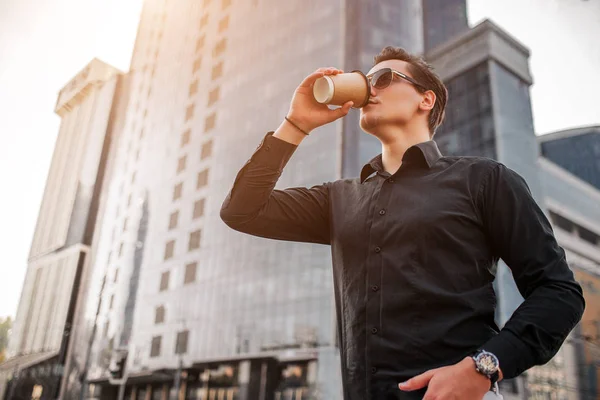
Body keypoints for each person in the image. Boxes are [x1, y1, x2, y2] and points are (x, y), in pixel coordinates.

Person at [219, 46, 585, 400]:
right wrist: (295, 124)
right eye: (367, 79)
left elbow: (558, 291)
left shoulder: (485, 180)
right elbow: (242, 210)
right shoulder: (339, 199)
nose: (368, 88)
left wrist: (484, 367)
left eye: (383, 78)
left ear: (425, 100)